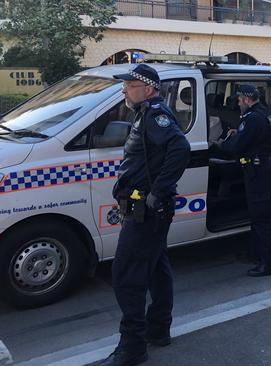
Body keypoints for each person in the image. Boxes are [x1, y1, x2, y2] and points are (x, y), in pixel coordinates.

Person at [103, 64, 191, 366]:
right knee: (156, 268)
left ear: (149, 88)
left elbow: (180, 148)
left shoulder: (155, 115)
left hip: (146, 211)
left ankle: (132, 348)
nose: (124, 89)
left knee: (125, 276)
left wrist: (158, 191)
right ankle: (158, 330)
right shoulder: (145, 114)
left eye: (129, 85)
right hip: (145, 209)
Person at [211, 85, 271, 277]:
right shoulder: (264, 114)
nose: (238, 103)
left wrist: (221, 143)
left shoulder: (253, 118)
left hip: (259, 170)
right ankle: (256, 254)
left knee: (262, 218)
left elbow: (236, 146)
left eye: (239, 100)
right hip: (263, 167)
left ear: (248, 100)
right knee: (257, 215)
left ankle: (268, 264)